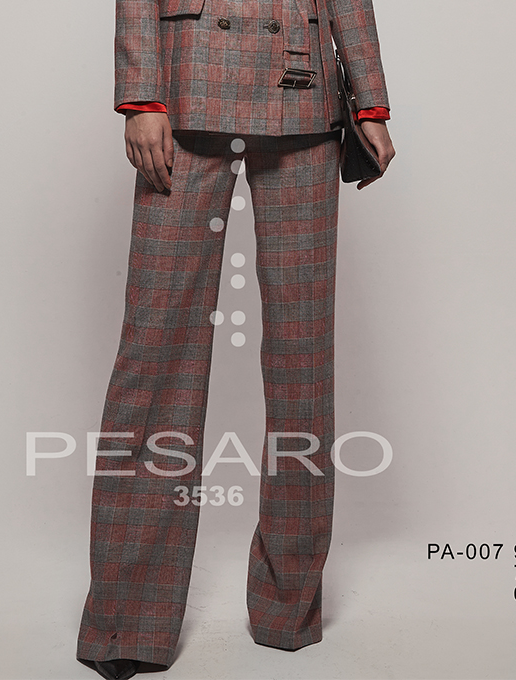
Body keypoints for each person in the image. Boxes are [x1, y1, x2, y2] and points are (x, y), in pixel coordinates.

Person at [77, 1, 395, 678]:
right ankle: (129, 618)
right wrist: (141, 95)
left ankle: (289, 607)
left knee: (303, 362)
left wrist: (370, 99)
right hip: (185, 89)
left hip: (302, 90)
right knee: (155, 354)